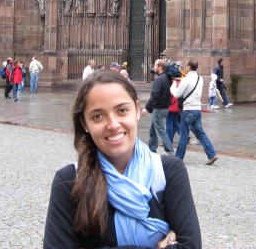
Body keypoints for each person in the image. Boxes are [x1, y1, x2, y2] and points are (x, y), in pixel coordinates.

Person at [43, 70, 202, 249]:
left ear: (136, 110)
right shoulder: (69, 181)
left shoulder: (169, 172)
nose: (113, 124)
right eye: (98, 116)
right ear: (84, 123)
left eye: (122, 110)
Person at [171, 59, 219, 165]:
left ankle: (178, 158)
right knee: (201, 133)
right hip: (197, 109)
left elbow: (177, 94)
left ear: (188, 67)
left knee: (184, 135)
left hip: (188, 110)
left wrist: (173, 86)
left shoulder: (186, 80)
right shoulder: (200, 79)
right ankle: (212, 154)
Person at [141, 59, 174, 154]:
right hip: (163, 108)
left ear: (160, 67)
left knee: (160, 131)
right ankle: (152, 151)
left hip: (159, 109)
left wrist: (146, 108)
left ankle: (170, 152)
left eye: (155, 65)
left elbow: (155, 95)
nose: (154, 67)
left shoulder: (159, 79)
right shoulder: (167, 78)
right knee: (153, 131)